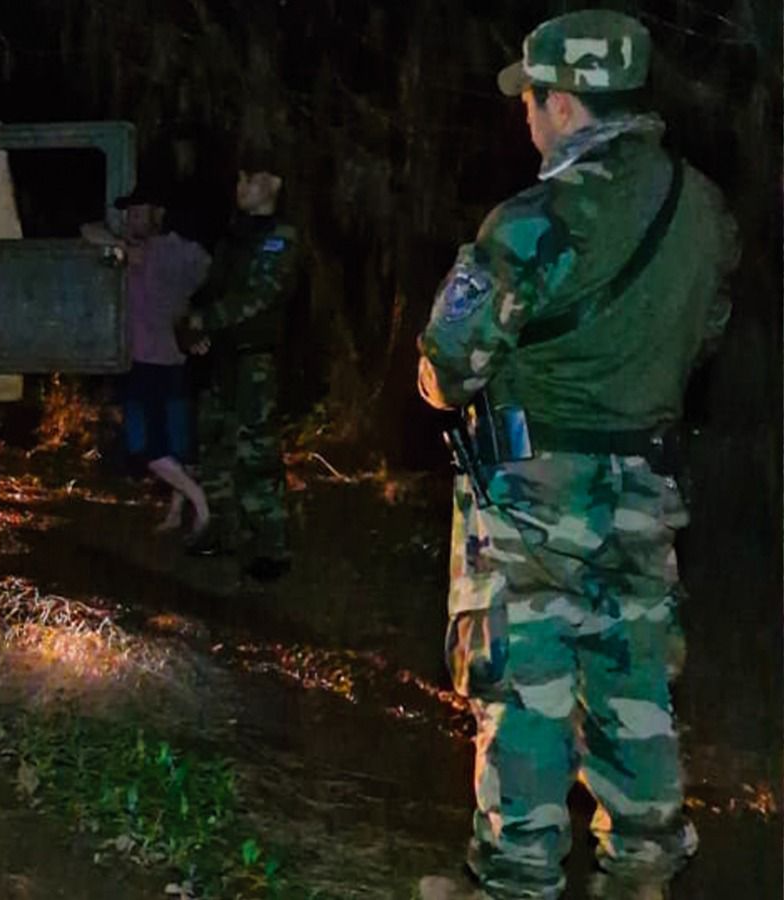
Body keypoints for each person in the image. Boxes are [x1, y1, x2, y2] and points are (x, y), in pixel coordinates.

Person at [414, 11, 736, 899]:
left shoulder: (537, 218)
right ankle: (641, 871)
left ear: (563, 102)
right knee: (631, 675)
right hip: (644, 490)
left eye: (533, 100)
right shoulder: (702, 209)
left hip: (532, 497)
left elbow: (447, 369)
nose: (526, 118)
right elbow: (705, 336)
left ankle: (514, 879)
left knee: (526, 685)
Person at [183, 167, 298, 582]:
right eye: (239, 180)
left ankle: (271, 546)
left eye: (250, 180)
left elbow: (261, 296)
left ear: (274, 185)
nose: (241, 188)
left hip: (255, 360)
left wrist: (205, 320)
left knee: (257, 455)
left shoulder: (279, 237)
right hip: (223, 358)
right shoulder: (234, 237)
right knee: (214, 445)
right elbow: (211, 288)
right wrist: (192, 328)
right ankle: (222, 531)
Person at [86, 186, 214, 536]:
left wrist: (124, 245)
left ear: (157, 215)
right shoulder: (161, 251)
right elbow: (89, 231)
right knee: (174, 444)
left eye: (139, 213)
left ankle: (201, 504)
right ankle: (177, 512)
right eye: (130, 214)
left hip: (151, 362)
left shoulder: (162, 252)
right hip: (166, 360)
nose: (132, 220)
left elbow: (92, 233)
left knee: (146, 446)